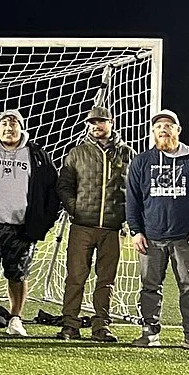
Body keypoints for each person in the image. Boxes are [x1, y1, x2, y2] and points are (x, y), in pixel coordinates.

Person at [0, 109, 60, 337]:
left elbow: (51, 191)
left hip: (22, 229)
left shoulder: (37, 155)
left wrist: (42, 224)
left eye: (13, 124)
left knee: (18, 275)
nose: (9, 128)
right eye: (4, 124)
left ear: (21, 128)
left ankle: (15, 319)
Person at [126, 110, 189, 349]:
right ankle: (149, 333)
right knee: (150, 287)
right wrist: (136, 231)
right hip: (151, 238)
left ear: (177, 130)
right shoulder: (142, 161)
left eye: (168, 126)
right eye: (159, 126)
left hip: (185, 238)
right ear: (153, 132)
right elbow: (133, 200)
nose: (163, 129)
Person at [55, 106, 134, 341]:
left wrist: (126, 217)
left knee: (106, 280)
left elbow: (135, 189)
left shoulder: (127, 153)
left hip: (112, 228)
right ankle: (70, 324)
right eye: (91, 123)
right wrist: (75, 208)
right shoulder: (77, 153)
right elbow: (64, 185)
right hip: (82, 227)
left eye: (101, 122)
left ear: (111, 122)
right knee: (76, 277)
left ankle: (101, 326)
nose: (96, 126)